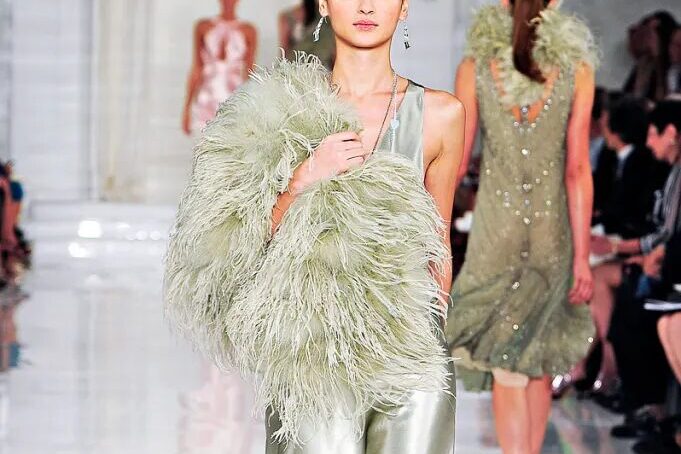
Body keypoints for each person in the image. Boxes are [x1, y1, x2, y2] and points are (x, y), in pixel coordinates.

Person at [164, 0, 464, 452]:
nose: (366, 6)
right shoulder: (276, 114)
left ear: (404, 7)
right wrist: (302, 181)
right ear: (324, 3)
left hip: (410, 356)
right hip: (309, 354)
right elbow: (224, 246)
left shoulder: (441, 115)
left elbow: (437, 242)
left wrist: (430, 339)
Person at [447, 1, 597, 452]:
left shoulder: (475, 68)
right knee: (537, 357)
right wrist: (583, 256)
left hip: (496, 233)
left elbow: (457, 164)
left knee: (507, 363)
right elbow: (577, 170)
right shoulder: (576, 70)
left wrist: (433, 234)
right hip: (553, 236)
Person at [181, 0, 257, 135]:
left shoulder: (248, 30)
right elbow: (197, 68)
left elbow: (250, 72)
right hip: (207, 99)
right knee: (203, 141)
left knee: (231, 142)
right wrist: (186, 108)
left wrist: (253, 109)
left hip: (235, 98)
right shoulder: (203, 26)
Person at [279, 0, 336, 69]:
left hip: (323, 67)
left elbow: (333, 51)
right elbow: (284, 52)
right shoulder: (288, 18)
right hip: (297, 68)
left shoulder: (327, 18)